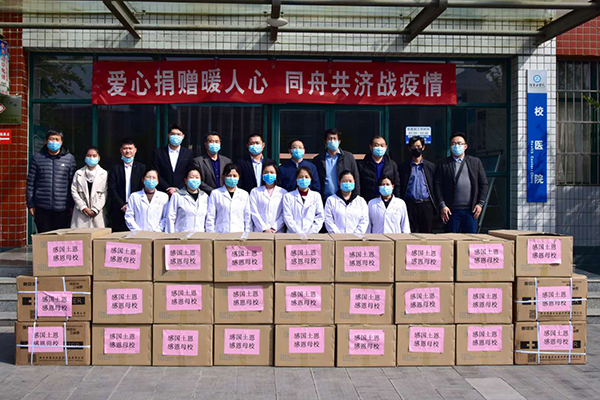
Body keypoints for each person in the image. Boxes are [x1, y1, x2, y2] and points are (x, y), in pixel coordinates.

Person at [434, 132, 489, 233]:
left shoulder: (475, 162)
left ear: (465, 146)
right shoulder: (443, 164)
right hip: (451, 211)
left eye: (459, 143)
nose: (456, 146)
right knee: (451, 239)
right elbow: (437, 186)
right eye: (453, 144)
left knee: (470, 239)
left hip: (471, 211)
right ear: (450, 147)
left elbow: (483, 184)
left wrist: (480, 204)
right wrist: (442, 205)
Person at [26, 130, 77, 233]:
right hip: (42, 207)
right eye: (51, 139)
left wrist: (72, 205)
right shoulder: (37, 158)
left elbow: (73, 184)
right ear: (46, 141)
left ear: (61, 142)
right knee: (43, 238)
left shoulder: (69, 159)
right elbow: (30, 183)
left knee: (60, 238)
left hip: (63, 207)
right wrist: (30, 204)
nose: (54, 142)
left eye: (57, 139)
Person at [399, 136, 438, 233]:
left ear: (423, 147)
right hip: (409, 204)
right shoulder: (404, 167)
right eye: (414, 147)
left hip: (426, 204)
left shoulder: (430, 167)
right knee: (408, 233)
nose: (416, 149)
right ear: (409, 148)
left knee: (426, 234)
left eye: (419, 146)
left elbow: (435, 186)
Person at [107, 138, 146, 232]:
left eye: (130, 148)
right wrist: (122, 205)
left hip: (137, 209)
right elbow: (112, 188)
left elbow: (143, 188)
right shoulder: (115, 168)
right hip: (118, 209)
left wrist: (132, 206)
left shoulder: (141, 168)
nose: (128, 151)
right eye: (125, 148)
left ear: (135, 150)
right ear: (121, 150)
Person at [313, 128, 361, 200]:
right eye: (330, 139)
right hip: (324, 199)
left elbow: (356, 179)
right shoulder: (318, 159)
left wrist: (355, 198)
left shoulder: (348, 158)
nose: (332, 141)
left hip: (344, 198)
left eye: (335, 138)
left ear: (339, 141)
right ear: (325, 141)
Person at [205, 163, 250, 233]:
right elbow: (210, 217)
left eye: (234, 176)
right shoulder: (216, 193)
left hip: (239, 233)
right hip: (220, 234)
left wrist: (247, 234)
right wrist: (211, 234)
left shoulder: (244, 194)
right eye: (229, 175)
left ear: (239, 177)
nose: (232, 178)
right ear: (223, 177)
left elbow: (247, 218)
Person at [70, 147, 108, 228]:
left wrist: (95, 209)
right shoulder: (78, 173)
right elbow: (74, 191)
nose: (91, 158)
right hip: (81, 213)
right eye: (89, 155)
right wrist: (83, 207)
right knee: (80, 235)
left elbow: (105, 193)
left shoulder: (104, 174)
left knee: (98, 234)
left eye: (94, 156)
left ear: (99, 158)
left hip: (97, 213)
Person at [152, 123, 193, 195]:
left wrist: (178, 188)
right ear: (168, 135)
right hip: (162, 192)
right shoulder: (158, 153)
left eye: (178, 134)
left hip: (182, 192)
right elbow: (155, 172)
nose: (176, 136)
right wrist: (167, 187)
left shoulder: (188, 153)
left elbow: (189, 172)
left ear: (183, 136)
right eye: (173, 134)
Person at [358, 135, 401, 202]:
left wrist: (397, 201)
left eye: (382, 145)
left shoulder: (392, 165)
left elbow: (397, 185)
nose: (379, 148)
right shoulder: (362, 165)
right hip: (368, 201)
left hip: (387, 201)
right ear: (370, 147)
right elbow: (358, 185)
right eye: (376, 145)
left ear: (386, 147)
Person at [282, 166, 324, 234]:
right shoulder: (288, 196)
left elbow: (320, 217)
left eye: (306, 177)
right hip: (293, 234)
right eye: (300, 177)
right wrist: (299, 233)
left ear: (310, 179)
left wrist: (311, 232)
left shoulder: (316, 196)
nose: (304, 179)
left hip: (312, 235)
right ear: (296, 179)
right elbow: (287, 217)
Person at [166, 167, 208, 233]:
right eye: (191, 177)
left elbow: (208, 220)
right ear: (185, 180)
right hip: (181, 235)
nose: (194, 180)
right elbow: (170, 217)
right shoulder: (177, 196)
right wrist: (171, 235)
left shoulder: (205, 197)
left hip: (200, 235)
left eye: (197, 177)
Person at [249, 161, 287, 233]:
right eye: (266, 172)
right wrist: (264, 229)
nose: (269, 174)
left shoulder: (283, 192)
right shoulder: (255, 192)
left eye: (272, 172)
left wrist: (274, 228)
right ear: (262, 175)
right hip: (259, 231)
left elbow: (284, 214)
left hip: (277, 231)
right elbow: (254, 212)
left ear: (276, 175)